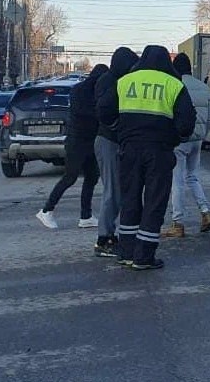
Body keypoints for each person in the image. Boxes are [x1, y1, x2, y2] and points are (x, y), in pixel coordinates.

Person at [97, 45, 195, 270]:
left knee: (130, 198)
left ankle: (126, 252)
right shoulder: (174, 84)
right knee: (154, 201)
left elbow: (103, 110)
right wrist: (175, 137)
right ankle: (144, 256)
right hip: (159, 151)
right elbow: (187, 122)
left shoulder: (126, 81)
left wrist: (119, 129)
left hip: (129, 148)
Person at [36, 64, 109, 229]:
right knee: (70, 177)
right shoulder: (81, 91)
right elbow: (88, 113)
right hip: (77, 141)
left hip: (89, 141)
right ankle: (46, 210)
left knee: (91, 177)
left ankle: (86, 216)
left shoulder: (88, 90)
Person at [92, 47, 139, 257]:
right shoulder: (111, 82)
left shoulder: (110, 80)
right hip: (108, 141)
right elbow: (105, 111)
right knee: (112, 191)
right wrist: (118, 125)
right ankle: (104, 239)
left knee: (117, 190)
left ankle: (110, 234)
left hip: (111, 141)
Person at [162, 53, 210, 238]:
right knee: (193, 177)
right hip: (197, 140)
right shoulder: (203, 87)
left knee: (177, 181)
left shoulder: (174, 85)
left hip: (180, 140)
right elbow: (209, 118)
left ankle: (178, 223)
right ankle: (205, 211)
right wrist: (203, 135)